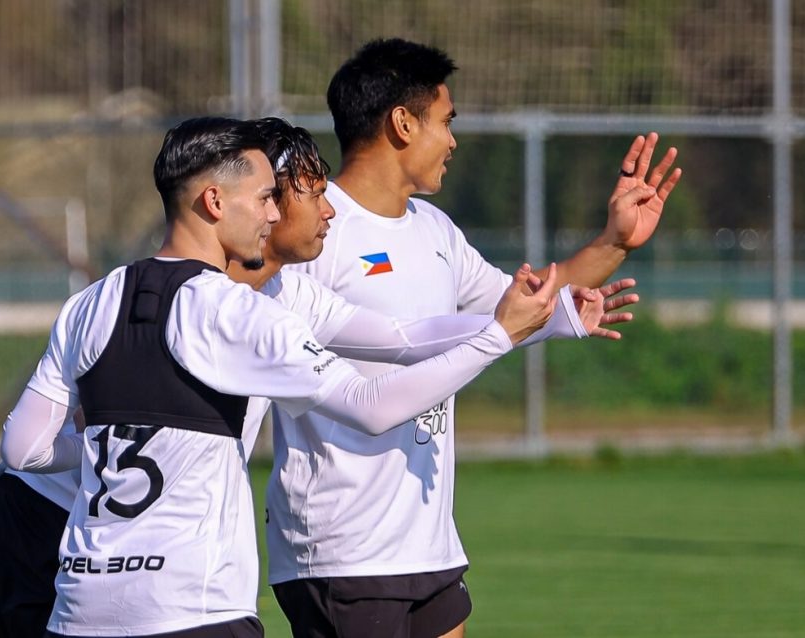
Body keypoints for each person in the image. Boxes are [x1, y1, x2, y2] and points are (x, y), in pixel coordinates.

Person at [0, 116, 631, 637]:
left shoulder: (282, 292)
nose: (331, 212)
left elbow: (402, 340)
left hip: (131, 556)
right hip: (47, 519)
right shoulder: (211, 303)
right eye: (310, 194)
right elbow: (371, 399)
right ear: (259, 203)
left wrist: (547, 320)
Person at [267, 38, 682, 638]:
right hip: (343, 546)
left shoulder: (434, 227)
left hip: (428, 540)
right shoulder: (311, 227)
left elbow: (520, 306)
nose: (453, 140)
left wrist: (614, 241)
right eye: (446, 121)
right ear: (403, 123)